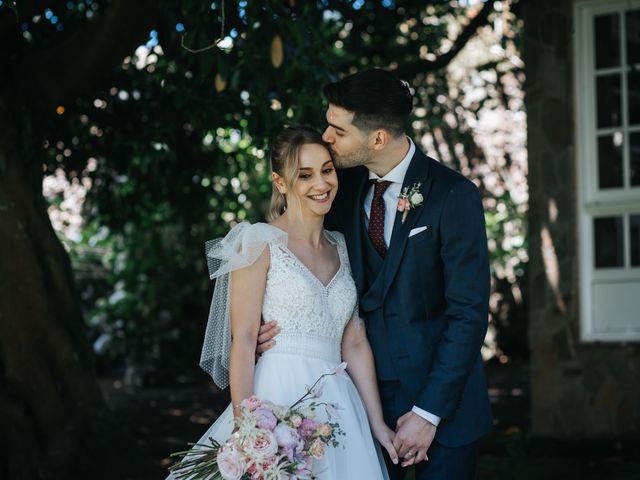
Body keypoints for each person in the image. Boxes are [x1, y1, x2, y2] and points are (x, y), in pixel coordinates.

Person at [258, 70, 492, 479]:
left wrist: (428, 413)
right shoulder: (335, 188)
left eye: (338, 130)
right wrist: (271, 324)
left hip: (445, 408)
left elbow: (468, 313)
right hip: (358, 405)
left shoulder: (453, 195)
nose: (326, 138)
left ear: (377, 138)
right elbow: (289, 252)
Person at [168, 126, 396, 479]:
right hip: (278, 395)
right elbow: (243, 339)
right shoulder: (257, 241)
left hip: (340, 405)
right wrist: (247, 427)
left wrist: (377, 423)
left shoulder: (343, 246)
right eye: (304, 175)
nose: (321, 184)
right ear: (280, 182)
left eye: (327, 169)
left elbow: (354, 341)